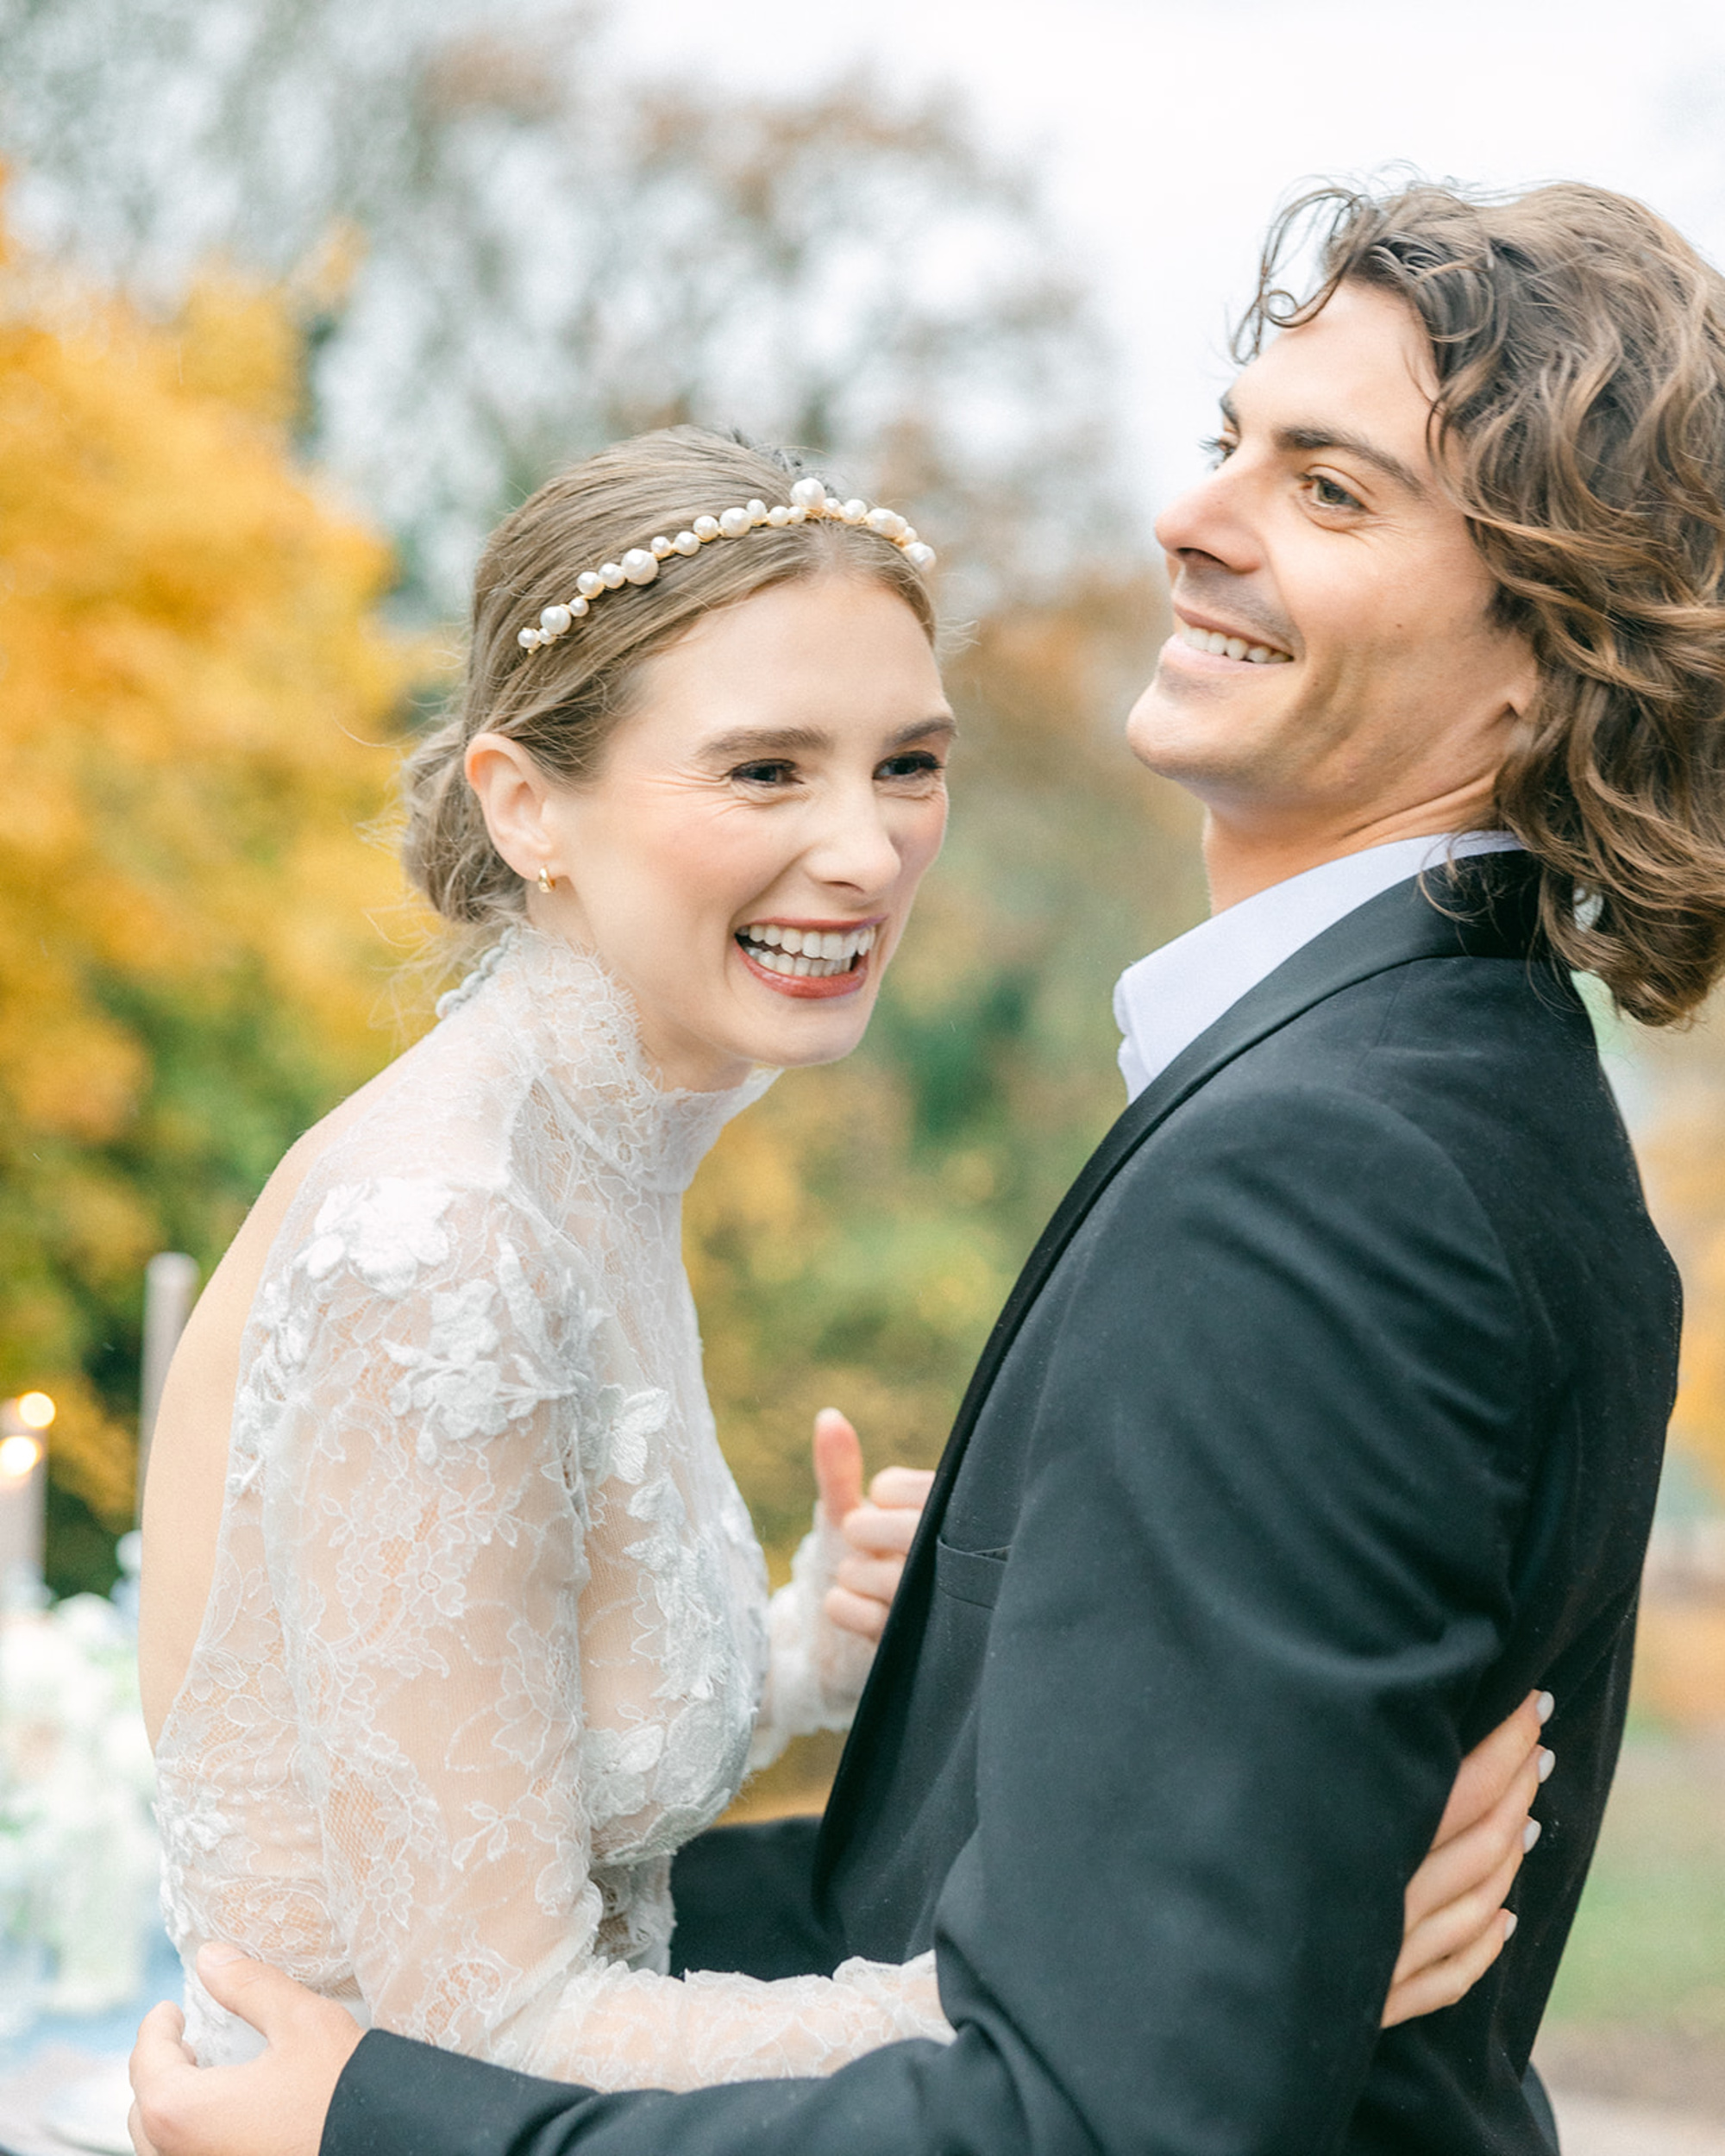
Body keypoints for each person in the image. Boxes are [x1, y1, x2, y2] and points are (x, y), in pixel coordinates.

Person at [129, 166, 1722, 2153]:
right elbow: (852, 1969)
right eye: (1232, 444)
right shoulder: (1442, 1097)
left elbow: (1102, 2113)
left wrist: (382, 2105)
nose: (1188, 516)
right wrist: (1195, 1949)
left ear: (1549, 656)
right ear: (525, 804)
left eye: (1328, 488)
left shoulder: (1329, 1173)